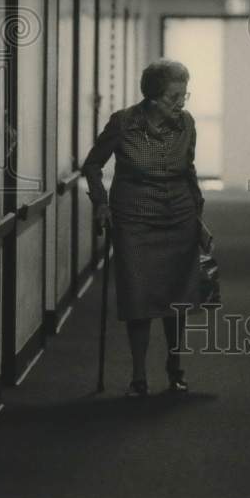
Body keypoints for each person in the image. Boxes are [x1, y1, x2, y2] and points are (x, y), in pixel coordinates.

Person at [81, 59, 204, 397]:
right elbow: (92, 165)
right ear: (152, 96)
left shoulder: (187, 123)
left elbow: (189, 169)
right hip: (134, 220)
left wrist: (198, 214)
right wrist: (100, 203)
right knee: (139, 297)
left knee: (177, 297)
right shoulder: (123, 123)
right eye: (173, 97)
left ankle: (175, 367)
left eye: (184, 95)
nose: (180, 103)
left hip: (179, 218)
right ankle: (138, 375)